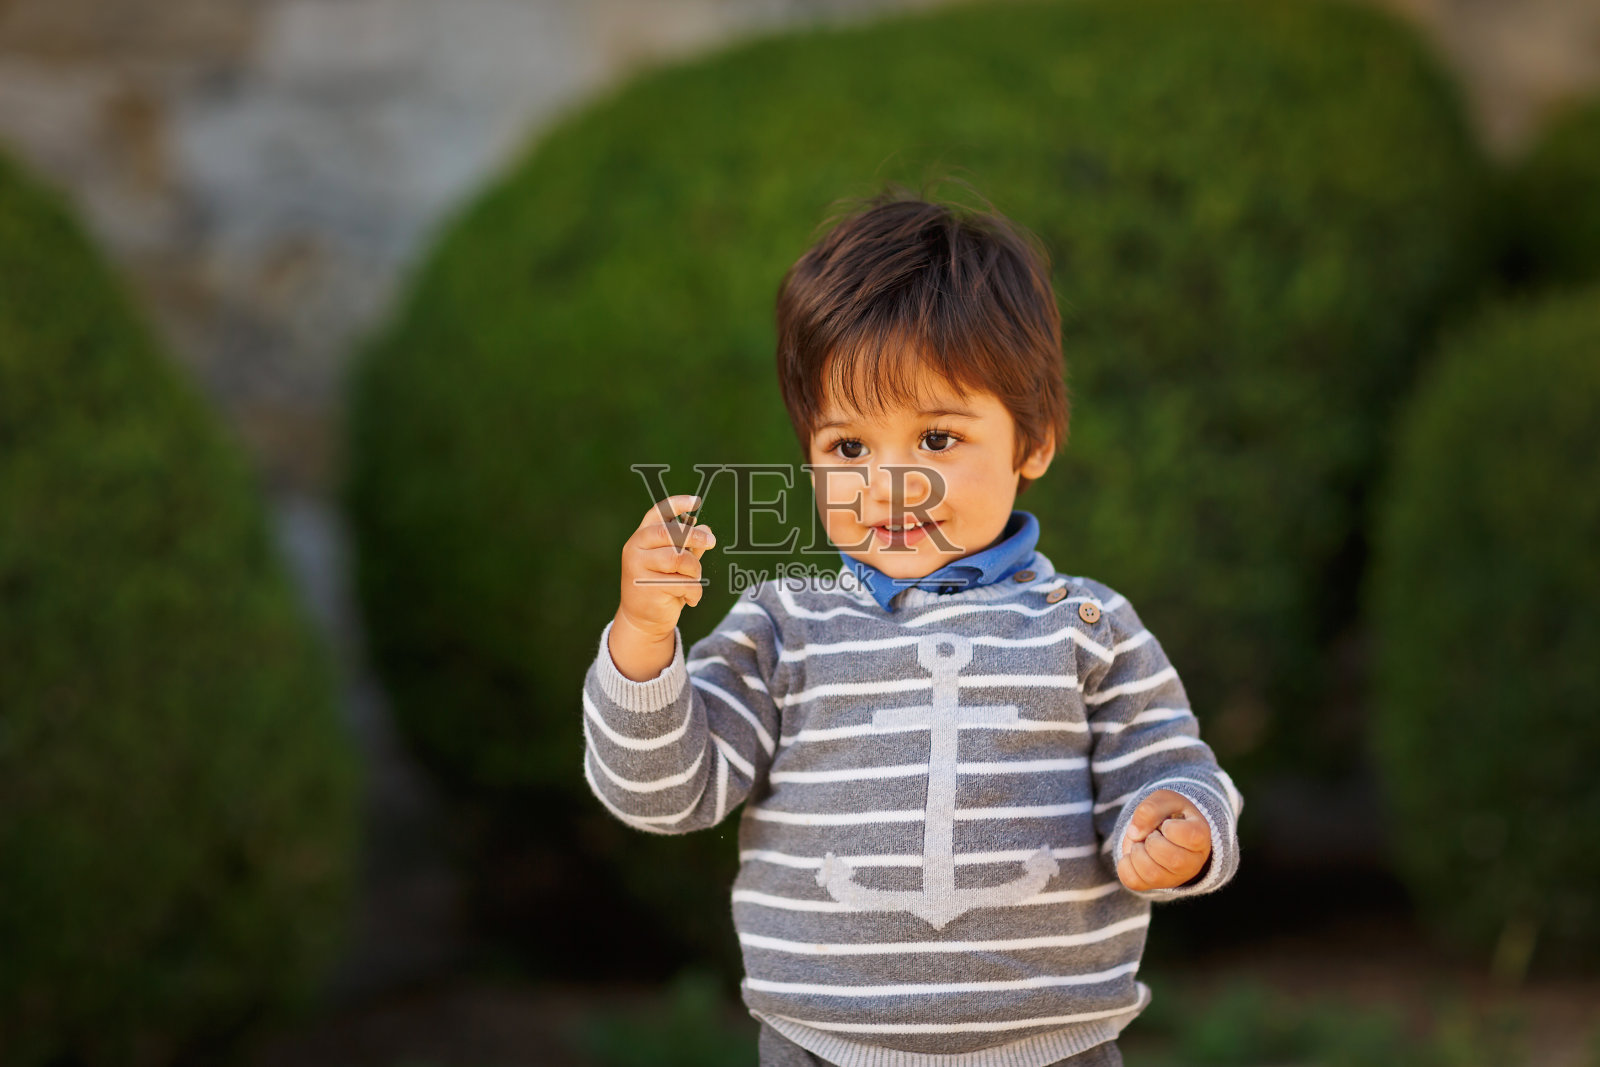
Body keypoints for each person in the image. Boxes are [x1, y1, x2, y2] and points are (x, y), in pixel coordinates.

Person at [582, 190, 1243, 1067]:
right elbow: (665, 794)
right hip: (822, 1048)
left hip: (1052, 1050)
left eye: (937, 437)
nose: (890, 484)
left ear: (1033, 440)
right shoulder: (784, 628)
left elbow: (1170, 770)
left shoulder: (1089, 627)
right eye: (849, 449)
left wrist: (1176, 824)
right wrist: (642, 639)